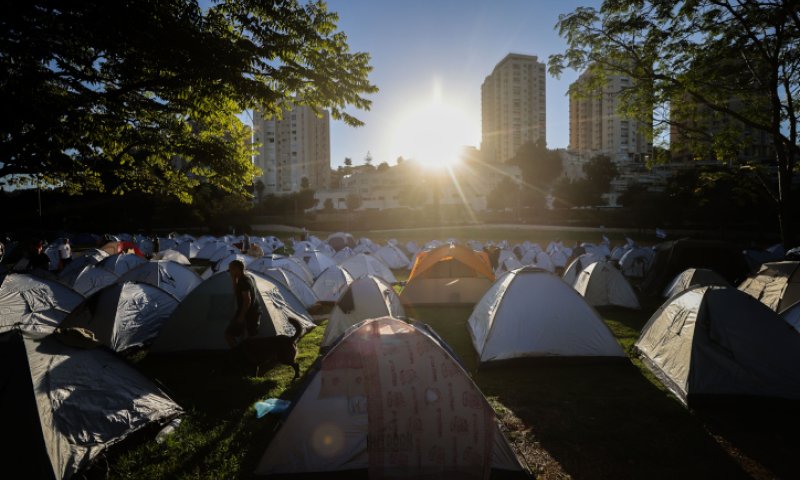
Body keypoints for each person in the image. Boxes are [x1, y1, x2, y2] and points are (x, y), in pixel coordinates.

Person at [225, 260, 261, 348]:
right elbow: (236, 292)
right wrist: (234, 279)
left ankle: (239, 355)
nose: (230, 272)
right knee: (248, 339)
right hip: (253, 312)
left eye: (231, 270)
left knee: (228, 334)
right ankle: (246, 356)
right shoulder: (247, 278)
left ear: (237, 269)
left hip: (249, 314)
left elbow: (247, 300)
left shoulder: (244, 281)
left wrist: (241, 316)